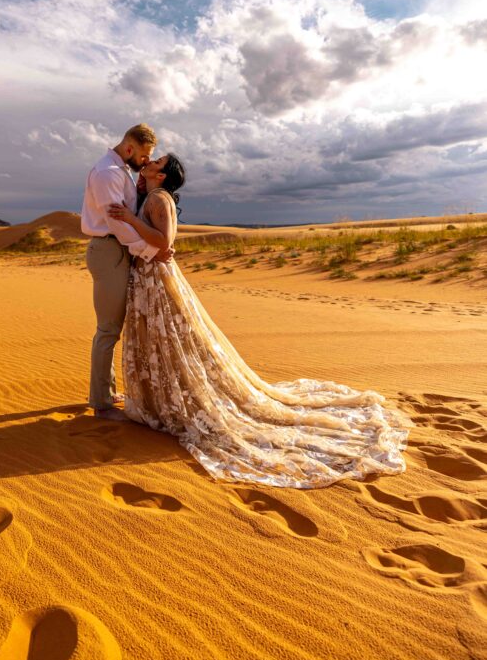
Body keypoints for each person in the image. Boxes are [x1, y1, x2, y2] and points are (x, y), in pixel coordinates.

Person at [107, 155, 411, 488]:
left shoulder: (158, 198)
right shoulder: (150, 196)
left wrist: (130, 220)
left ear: (161, 174)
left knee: (170, 339)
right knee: (162, 340)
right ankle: (159, 399)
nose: (150, 159)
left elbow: (164, 242)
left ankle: (171, 403)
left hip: (155, 278)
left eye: (157, 160)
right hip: (149, 275)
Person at [81, 124, 173, 419]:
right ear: (130, 149)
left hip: (119, 251)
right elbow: (118, 226)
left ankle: (105, 392)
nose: (146, 161)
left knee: (113, 327)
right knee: (108, 329)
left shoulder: (121, 171)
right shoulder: (108, 173)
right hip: (109, 250)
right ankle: (102, 404)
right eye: (145, 155)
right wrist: (150, 250)